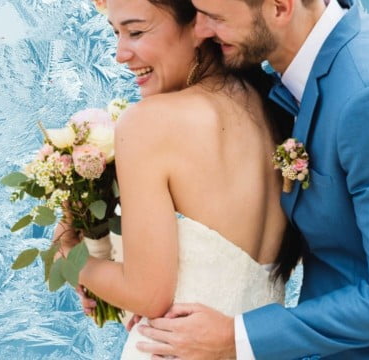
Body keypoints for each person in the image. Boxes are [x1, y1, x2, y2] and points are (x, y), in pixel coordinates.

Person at [135, 0, 369, 359]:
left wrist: (236, 337)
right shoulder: (298, 73)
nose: (200, 31)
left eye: (215, 17)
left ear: (279, 7)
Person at [53, 0, 300, 358]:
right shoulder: (275, 107)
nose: (121, 54)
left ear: (200, 24)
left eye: (136, 32)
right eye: (116, 34)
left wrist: (69, 256)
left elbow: (148, 295)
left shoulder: (149, 123)